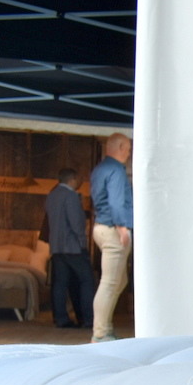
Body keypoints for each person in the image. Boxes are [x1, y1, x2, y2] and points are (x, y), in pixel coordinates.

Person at [88, 132, 133, 342]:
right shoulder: (116, 170)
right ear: (120, 148)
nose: (129, 153)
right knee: (109, 283)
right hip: (113, 229)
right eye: (128, 149)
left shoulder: (100, 169)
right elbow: (116, 202)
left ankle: (104, 328)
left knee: (118, 280)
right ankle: (100, 333)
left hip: (101, 227)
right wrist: (122, 227)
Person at [44, 168, 94, 328]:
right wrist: (83, 242)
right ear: (72, 179)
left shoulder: (52, 196)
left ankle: (61, 318)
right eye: (79, 179)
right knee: (87, 280)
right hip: (72, 246)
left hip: (57, 246)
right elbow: (76, 223)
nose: (80, 182)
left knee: (60, 283)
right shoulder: (71, 196)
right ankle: (88, 318)